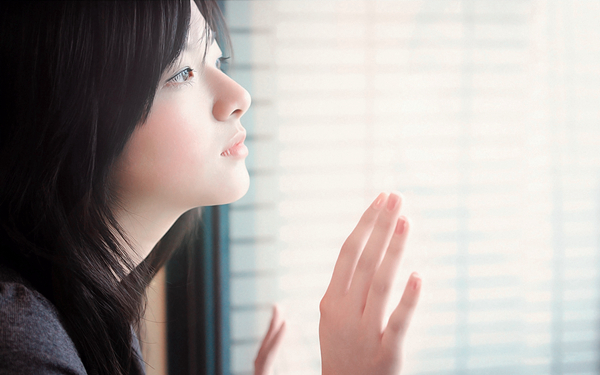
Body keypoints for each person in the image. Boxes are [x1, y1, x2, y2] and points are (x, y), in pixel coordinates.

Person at [0, 1, 421, 374]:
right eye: (182, 72)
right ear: (70, 116)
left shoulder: (91, 310)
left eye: (216, 61)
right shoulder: (22, 343)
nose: (239, 96)